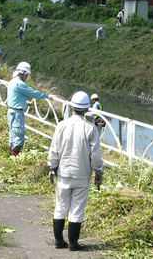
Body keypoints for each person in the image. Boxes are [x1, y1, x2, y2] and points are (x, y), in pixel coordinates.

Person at [48, 91, 104, 251]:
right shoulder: (90, 128)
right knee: (77, 207)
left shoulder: (61, 125)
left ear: (71, 106)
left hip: (63, 173)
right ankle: (73, 243)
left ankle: (59, 241)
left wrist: (52, 167)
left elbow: (54, 150)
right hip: (82, 174)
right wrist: (98, 171)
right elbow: (95, 155)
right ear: (86, 109)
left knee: (61, 206)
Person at [7, 62, 54, 156]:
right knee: (19, 135)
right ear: (22, 73)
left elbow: (17, 96)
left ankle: (11, 156)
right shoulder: (20, 84)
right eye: (27, 74)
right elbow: (34, 93)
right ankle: (15, 158)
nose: (27, 77)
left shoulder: (12, 82)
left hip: (11, 111)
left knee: (12, 134)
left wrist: (24, 101)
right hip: (17, 112)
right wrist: (47, 96)